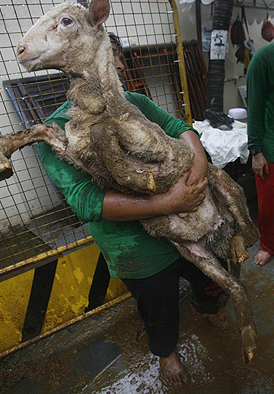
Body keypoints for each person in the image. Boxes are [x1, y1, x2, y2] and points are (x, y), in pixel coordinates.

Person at [36, 32, 226, 386]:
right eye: (110, 57)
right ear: (78, 66)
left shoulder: (134, 102)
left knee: (214, 277)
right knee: (159, 309)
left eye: (118, 58)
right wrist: (169, 202)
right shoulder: (58, 130)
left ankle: (206, 306)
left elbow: (179, 128)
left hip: (189, 221)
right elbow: (86, 200)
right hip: (137, 248)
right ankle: (167, 354)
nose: (119, 66)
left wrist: (197, 173)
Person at [246, 36, 274, 266]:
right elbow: (255, 107)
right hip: (272, 148)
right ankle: (267, 245)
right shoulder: (262, 59)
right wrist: (256, 151)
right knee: (268, 206)